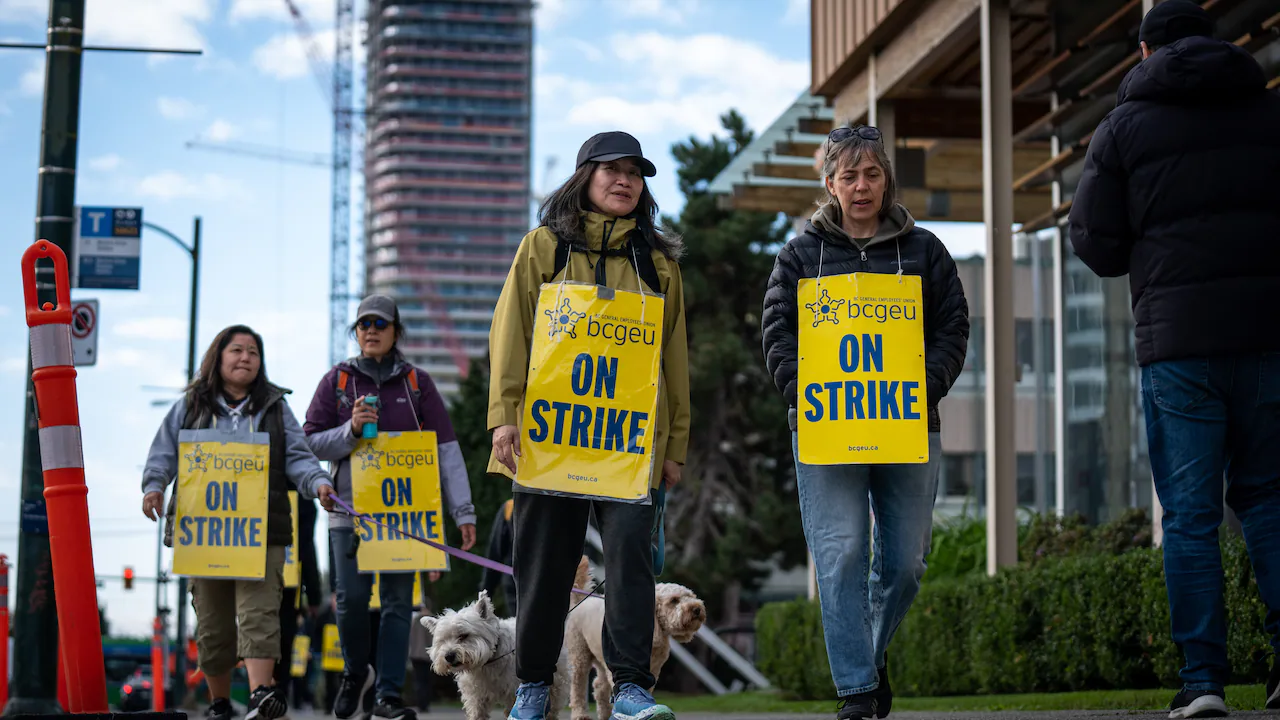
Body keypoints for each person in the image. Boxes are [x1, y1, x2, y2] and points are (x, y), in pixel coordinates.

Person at [1066, 2, 1280, 717]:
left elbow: (1094, 241)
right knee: (1270, 502)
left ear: (1145, 50)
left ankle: (1203, 683)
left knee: (1190, 517)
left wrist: (1152, 251)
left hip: (1179, 343)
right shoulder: (1266, 113)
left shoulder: (1124, 127)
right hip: (1264, 337)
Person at [761, 123, 969, 720]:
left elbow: (953, 329)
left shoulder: (926, 251)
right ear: (829, 183)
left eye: (871, 174)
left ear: (886, 181)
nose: (861, 186)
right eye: (848, 175)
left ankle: (871, 656)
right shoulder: (799, 255)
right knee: (842, 553)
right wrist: (805, 392)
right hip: (825, 428)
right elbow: (778, 334)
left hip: (908, 424)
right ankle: (855, 688)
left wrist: (918, 388)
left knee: (904, 564)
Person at [488, 130, 691, 720]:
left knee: (631, 563)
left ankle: (630, 687)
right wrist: (504, 419)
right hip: (548, 438)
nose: (624, 180)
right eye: (612, 169)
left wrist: (673, 445)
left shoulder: (659, 266)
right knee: (545, 566)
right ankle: (532, 687)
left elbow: (674, 360)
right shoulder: (543, 248)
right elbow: (510, 336)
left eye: (635, 171)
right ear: (585, 178)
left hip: (628, 447)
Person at [141, 324, 337, 720]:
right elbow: (164, 451)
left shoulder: (276, 407)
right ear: (219, 356)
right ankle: (218, 703)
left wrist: (318, 483)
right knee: (212, 623)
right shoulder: (191, 405)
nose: (245, 357)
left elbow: (298, 456)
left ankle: (260, 695)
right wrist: (154, 486)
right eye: (237, 350)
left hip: (260, 533)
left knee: (260, 612)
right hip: (204, 534)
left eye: (253, 352)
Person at [304, 294, 478, 720]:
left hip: (404, 517)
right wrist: (349, 430)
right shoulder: (338, 382)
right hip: (350, 515)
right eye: (364, 324)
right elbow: (307, 441)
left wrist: (463, 511)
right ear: (357, 332)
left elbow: (447, 450)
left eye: (381, 323)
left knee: (401, 604)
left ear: (396, 331)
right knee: (350, 600)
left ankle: (387, 694)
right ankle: (353, 671)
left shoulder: (417, 383)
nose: (372, 330)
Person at [275, 494, 323, 706]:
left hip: (257, 577)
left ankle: (260, 690)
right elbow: (306, 548)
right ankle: (278, 695)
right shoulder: (301, 497)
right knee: (284, 641)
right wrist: (314, 594)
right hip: (288, 583)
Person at [408, 571, 441, 713]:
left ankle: (421, 703)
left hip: (415, 654)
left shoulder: (415, 619)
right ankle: (424, 703)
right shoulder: (432, 621)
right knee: (426, 680)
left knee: (419, 680)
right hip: (427, 654)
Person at [478, 498, 517, 615]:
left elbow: (495, 552)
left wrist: (485, 591)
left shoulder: (511, 507)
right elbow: (495, 554)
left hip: (517, 582)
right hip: (517, 584)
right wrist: (485, 592)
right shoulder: (510, 508)